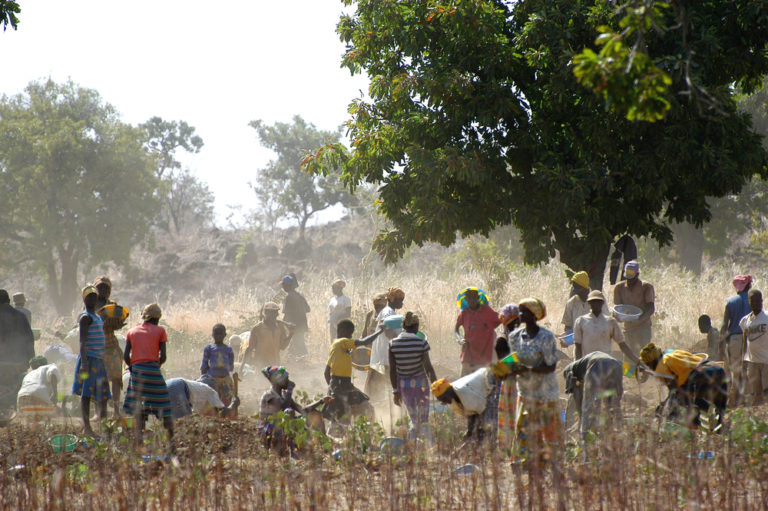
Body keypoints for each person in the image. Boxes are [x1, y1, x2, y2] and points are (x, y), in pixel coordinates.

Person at [507, 298, 559, 464]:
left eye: (524, 312)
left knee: (546, 431)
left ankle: (548, 462)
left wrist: (527, 370)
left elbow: (550, 366)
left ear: (535, 315)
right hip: (525, 392)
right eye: (520, 311)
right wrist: (504, 370)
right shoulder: (515, 337)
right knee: (524, 429)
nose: (520, 315)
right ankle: (526, 462)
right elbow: (513, 361)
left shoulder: (546, 337)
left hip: (545, 392)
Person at [639, 343, 727, 429]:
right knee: (720, 416)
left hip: (702, 376)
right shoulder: (671, 353)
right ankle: (715, 424)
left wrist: (664, 408)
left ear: (652, 362)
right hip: (717, 369)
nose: (649, 368)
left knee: (681, 401)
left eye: (648, 365)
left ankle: (694, 426)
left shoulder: (661, 366)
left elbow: (674, 391)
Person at [123, 304, 173, 449]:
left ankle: (139, 444)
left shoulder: (131, 332)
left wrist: (133, 367)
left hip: (137, 372)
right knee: (164, 404)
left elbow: (126, 356)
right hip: (153, 370)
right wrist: (156, 366)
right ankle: (172, 444)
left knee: (139, 409)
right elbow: (163, 356)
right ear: (157, 318)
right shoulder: (160, 331)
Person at [388, 312, 437, 439]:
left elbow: (393, 370)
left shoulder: (393, 344)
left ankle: (413, 442)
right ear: (416, 327)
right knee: (423, 416)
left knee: (413, 416)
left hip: (404, 385)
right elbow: (428, 368)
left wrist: (395, 391)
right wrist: (437, 386)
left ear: (403, 326)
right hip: (421, 383)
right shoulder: (421, 343)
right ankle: (425, 441)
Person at [324, 319, 382, 422]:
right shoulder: (342, 342)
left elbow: (326, 373)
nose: (350, 337)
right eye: (349, 334)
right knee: (364, 409)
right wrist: (380, 331)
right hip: (342, 385)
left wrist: (332, 390)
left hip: (339, 385)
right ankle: (367, 431)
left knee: (344, 415)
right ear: (342, 331)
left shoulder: (335, 346)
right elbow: (364, 342)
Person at [72, 286, 111, 437]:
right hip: (89, 359)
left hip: (99, 359)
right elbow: (82, 341)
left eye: (94, 296)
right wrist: (84, 363)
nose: (93, 299)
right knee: (86, 394)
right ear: (84, 299)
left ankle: (104, 426)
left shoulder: (97, 316)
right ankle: (87, 427)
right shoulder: (85, 317)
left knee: (103, 393)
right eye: (90, 297)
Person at [563, 351, 623, 442]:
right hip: (616, 365)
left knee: (588, 406)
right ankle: (619, 435)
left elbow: (578, 397)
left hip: (597, 366)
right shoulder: (582, 364)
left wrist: (581, 417)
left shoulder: (569, 372)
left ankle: (585, 440)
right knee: (614, 405)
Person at [573, 290, 641, 364]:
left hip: (605, 363)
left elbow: (622, 344)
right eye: (593, 301)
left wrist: (637, 361)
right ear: (589, 303)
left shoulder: (610, 321)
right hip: (587, 362)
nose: (596, 304)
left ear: (602, 303)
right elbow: (578, 346)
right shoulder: (581, 321)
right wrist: (577, 365)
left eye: (598, 301)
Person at [93, 276, 129, 417]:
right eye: (100, 287)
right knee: (98, 380)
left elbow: (116, 325)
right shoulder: (90, 305)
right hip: (96, 347)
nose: (103, 290)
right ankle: (98, 412)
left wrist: (117, 324)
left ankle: (115, 410)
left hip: (111, 345)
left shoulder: (113, 306)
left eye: (106, 288)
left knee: (115, 379)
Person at [366, 287, 405, 400]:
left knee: (382, 385)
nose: (402, 303)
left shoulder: (388, 312)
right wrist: (402, 341)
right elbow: (388, 332)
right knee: (391, 386)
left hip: (385, 354)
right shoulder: (388, 312)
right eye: (400, 300)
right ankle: (392, 411)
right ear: (392, 299)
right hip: (386, 355)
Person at [0, 289, 35, 412]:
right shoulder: (21, 316)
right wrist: (30, 358)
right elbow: (29, 338)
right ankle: (14, 410)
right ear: (9, 301)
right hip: (18, 362)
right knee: (16, 386)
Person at [720, 274, 752, 406]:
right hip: (750, 339)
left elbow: (724, 325)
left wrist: (721, 343)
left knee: (733, 371)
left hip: (734, 339)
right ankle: (745, 400)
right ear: (749, 286)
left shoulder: (730, 302)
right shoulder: (754, 302)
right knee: (747, 370)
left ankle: (732, 401)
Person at [612, 260, 655, 359]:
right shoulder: (619, 288)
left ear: (637, 275)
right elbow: (618, 308)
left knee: (644, 355)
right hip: (628, 328)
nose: (629, 280)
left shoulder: (646, 287)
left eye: (632, 277)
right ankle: (628, 375)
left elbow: (650, 308)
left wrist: (638, 318)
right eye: (627, 276)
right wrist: (618, 317)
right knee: (628, 356)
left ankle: (645, 374)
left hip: (643, 327)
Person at [259, 365, 305, 455]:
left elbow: (302, 410)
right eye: (286, 379)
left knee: (309, 417)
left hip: (280, 430)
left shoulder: (283, 396)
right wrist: (290, 390)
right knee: (289, 412)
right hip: (269, 433)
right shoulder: (269, 395)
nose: (288, 381)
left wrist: (321, 402)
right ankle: (290, 450)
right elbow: (283, 409)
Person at [454, 287, 501, 376]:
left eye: (473, 297)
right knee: (464, 382)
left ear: (478, 298)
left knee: (483, 382)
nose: (471, 300)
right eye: (469, 297)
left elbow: (500, 319)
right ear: (466, 300)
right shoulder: (464, 314)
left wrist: (490, 329)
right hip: (468, 354)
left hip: (484, 354)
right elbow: (456, 328)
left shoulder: (487, 311)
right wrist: (459, 339)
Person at [240, 302, 295, 373]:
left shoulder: (280, 328)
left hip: (275, 365)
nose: (275, 315)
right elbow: (250, 348)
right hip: (261, 366)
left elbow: (282, 347)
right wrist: (241, 368)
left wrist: (290, 335)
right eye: (272, 313)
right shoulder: (257, 328)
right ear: (265, 313)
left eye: (276, 313)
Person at [496, 303, 521, 450]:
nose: (517, 324)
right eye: (514, 321)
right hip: (511, 382)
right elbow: (504, 366)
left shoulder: (517, 337)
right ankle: (510, 448)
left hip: (517, 381)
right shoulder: (502, 340)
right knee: (512, 415)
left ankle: (514, 447)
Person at [739, 289, 768, 406]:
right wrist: (742, 359)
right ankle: (758, 420)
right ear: (749, 302)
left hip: (766, 361)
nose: (756, 304)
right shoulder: (745, 321)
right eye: (753, 301)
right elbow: (744, 341)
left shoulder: (766, 317)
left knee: (766, 392)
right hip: (752, 362)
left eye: (758, 301)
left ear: (762, 301)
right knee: (755, 394)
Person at [165, 377, 238, 419]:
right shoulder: (211, 392)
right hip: (178, 388)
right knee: (185, 423)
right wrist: (235, 403)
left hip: (166, 385)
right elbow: (225, 412)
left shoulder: (196, 390)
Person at [200, 323, 235, 406]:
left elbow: (231, 366)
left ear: (225, 335)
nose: (218, 336)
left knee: (226, 400)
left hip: (225, 379)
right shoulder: (209, 348)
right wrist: (203, 379)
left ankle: (225, 415)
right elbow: (204, 365)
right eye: (216, 333)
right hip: (212, 379)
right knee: (212, 401)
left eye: (220, 334)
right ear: (212, 334)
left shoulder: (228, 349)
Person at [561, 271, 606, 336]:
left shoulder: (598, 299)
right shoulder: (571, 303)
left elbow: (606, 321)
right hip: (578, 342)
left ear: (585, 288)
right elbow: (568, 326)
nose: (574, 290)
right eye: (574, 287)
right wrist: (566, 337)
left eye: (577, 288)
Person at [280, 274, 310, 357]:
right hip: (302, 324)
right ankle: (295, 359)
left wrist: (282, 324)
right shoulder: (299, 295)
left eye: (283, 284)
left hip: (293, 325)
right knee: (296, 342)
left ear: (287, 285)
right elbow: (308, 309)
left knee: (298, 343)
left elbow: (287, 313)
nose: (282, 287)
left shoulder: (288, 296)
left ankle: (304, 359)